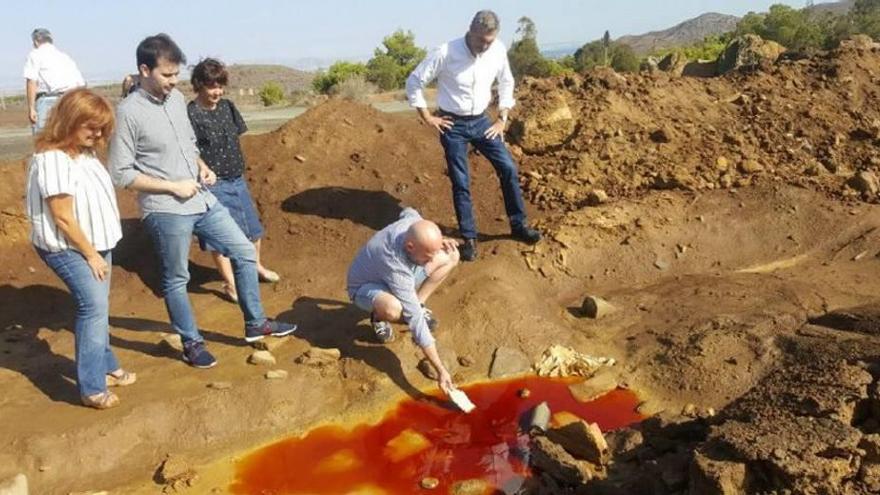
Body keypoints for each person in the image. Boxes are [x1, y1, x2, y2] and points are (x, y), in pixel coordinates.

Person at [108, 34, 296, 369]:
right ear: (144, 70)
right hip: (165, 209)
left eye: (176, 74)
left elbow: (188, 146)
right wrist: (171, 187)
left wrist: (202, 167)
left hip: (201, 197)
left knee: (241, 249)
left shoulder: (177, 101)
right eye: (166, 75)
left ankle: (256, 323)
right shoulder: (129, 112)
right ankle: (191, 342)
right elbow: (121, 173)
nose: (173, 81)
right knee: (176, 279)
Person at [25, 88, 134, 409]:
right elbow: (62, 216)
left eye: (102, 128)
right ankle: (91, 387)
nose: (97, 134)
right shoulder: (52, 160)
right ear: (69, 121)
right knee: (93, 309)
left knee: (98, 309)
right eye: (90, 127)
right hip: (69, 247)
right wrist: (90, 254)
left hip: (97, 244)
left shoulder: (83, 154)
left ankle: (108, 366)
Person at [406, 10, 542, 262]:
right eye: (481, 40)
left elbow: (506, 81)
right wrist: (427, 116)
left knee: (508, 168)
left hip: (482, 121)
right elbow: (414, 81)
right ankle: (469, 238)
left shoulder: (498, 50)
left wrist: (502, 118)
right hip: (452, 124)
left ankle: (519, 225)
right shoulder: (446, 52)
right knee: (461, 181)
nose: (485, 45)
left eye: (489, 41)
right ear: (470, 31)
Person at [187, 58, 280, 304]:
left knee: (253, 231)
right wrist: (203, 168)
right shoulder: (191, 113)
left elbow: (239, 137)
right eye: (211, 86)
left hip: (237, 178)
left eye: (220, 85)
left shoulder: (228, 107)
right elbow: (188, 149)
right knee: (219, 239)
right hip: (212, 185)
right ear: (199, 85)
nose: (217, 91)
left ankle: (256, 267)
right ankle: (230, 284)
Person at [347, 208, 460, 394]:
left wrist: (438, 245)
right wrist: (441, 370)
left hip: (398, 270)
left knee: (451, 255)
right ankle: (378, 317)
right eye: (428, 256)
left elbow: (409, 211)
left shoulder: (411, 224)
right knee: (394, 309)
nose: (431, 260)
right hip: (366, 288)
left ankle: (419, 302)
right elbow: (414, 319)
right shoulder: (395, 264)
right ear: (409, 246)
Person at [23, 28, 86, 133]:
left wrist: (31, 108)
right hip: (69, 100)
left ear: (35, 42)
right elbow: (81, 84)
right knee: (67, 138)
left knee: (44, 139)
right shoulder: (65, 57)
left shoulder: (35, 55)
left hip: (48, 100)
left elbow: (31, 81)